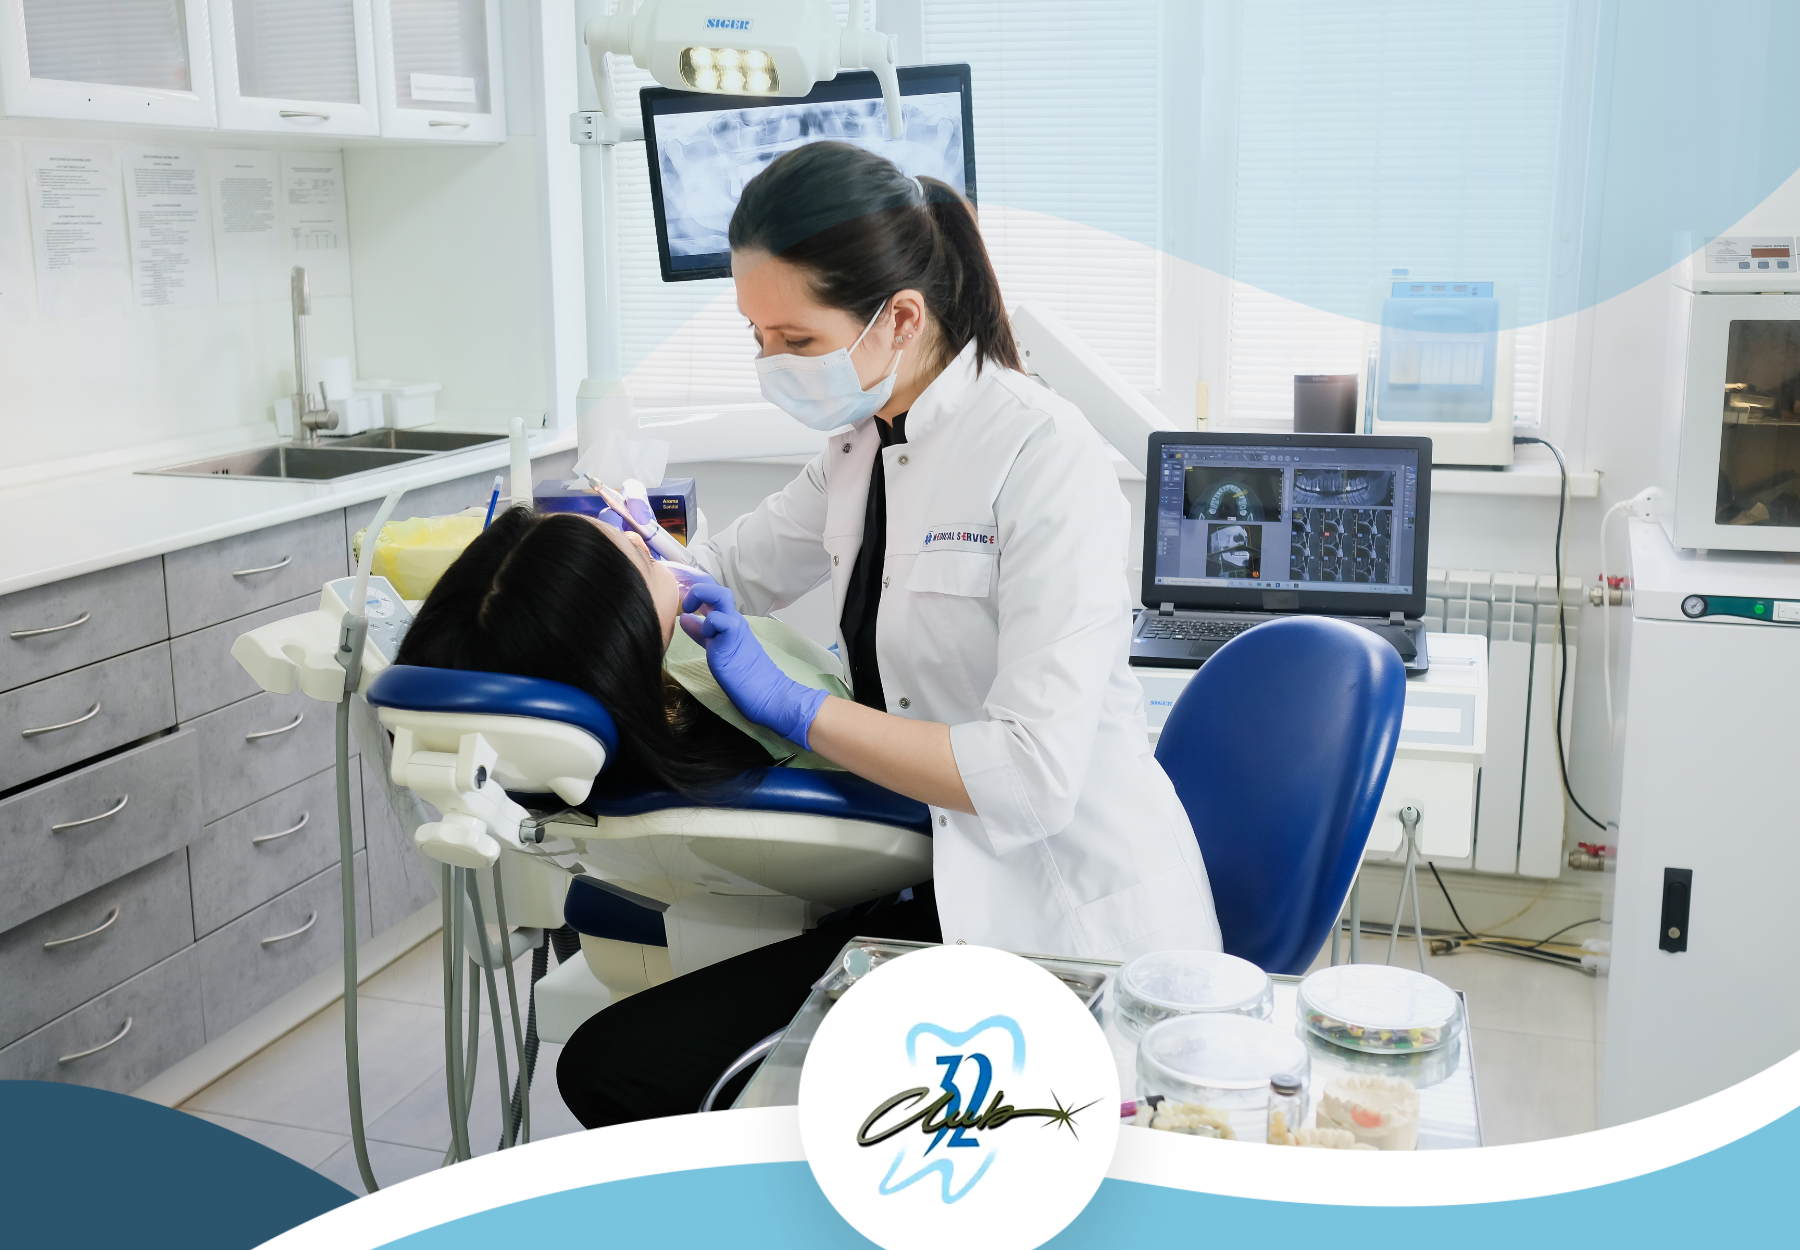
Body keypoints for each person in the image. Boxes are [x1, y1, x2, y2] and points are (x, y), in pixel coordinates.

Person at [554, 140, 1221, 1127]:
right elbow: (732, 567)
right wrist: (630, 548)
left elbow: (1030, 774)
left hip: (1064, 917)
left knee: (638, 1072)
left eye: (795, 338)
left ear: (899, 316)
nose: (770, 365)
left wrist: (798, 707)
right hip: (937, 876)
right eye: (755, 335)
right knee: (628, 1061)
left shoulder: (1044, 455)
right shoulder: (863, 442)